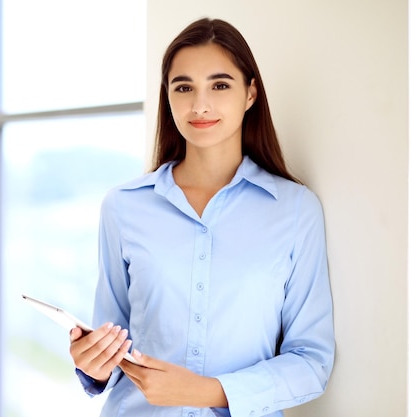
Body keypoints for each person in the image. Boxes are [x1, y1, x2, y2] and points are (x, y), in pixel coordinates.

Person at [69, 17, 335, 417]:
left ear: (250, 94)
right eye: (184, 87)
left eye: (220, 85)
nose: (200, 105)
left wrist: (208, 391)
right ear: (168, 97)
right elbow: (112, 341)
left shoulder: (295, 210)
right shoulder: (123, 207)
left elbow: (312, 362)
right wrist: (92, 365)